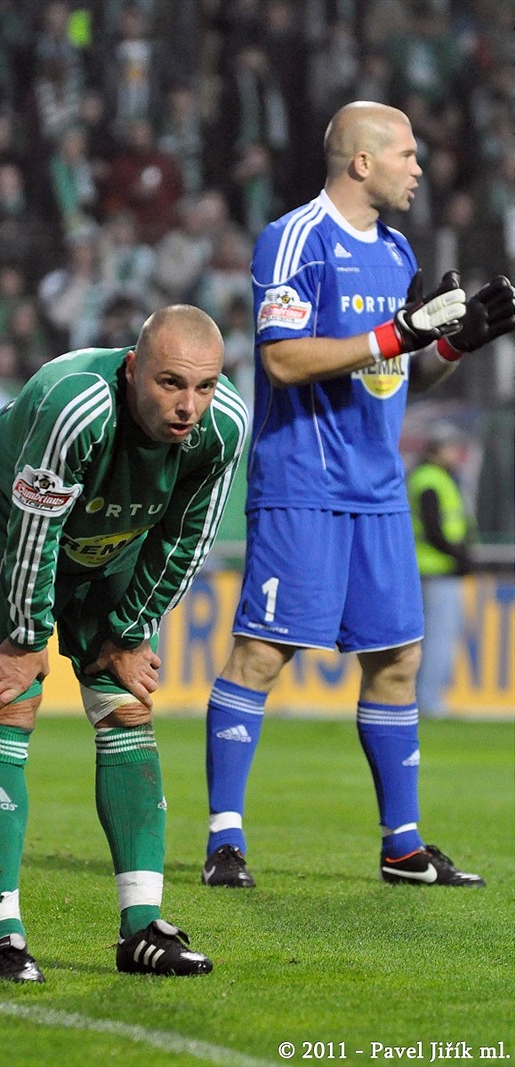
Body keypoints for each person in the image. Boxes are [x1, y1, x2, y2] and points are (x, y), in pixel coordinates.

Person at [199, 101, 515, 891]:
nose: (419, 166)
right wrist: (396, 335)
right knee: (264, 652)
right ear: (362, 163)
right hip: (303, 482)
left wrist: (453, 341)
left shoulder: (399, 248)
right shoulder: (295, 236)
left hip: (377, 490)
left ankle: (402, 845)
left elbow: (397, 367)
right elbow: (280, 361)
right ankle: (224, 838)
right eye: (406, 153)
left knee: (398, 659)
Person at [0, 304, 248, 982]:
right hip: (10, 526)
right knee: (9, 699)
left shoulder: (224, 426)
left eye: (203, 387)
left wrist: (124, 635)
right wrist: (29, 639)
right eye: (170, 383)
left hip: (114, 540)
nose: (188, 406)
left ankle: (142, 927)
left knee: (125, 703)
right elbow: (35, 534)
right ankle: (3, 934)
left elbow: (186, 541)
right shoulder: (76, 408)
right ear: (132, 367)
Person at [408, 423, 476, 718]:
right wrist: (460, 557)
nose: (456, 453)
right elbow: (434, 529)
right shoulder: (432, 480)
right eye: (451, 447)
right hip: (437, 570)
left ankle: (425, 699)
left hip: (431, 569)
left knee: (430, 640)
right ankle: (429, 701)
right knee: (438, 640)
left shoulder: (431, 477)